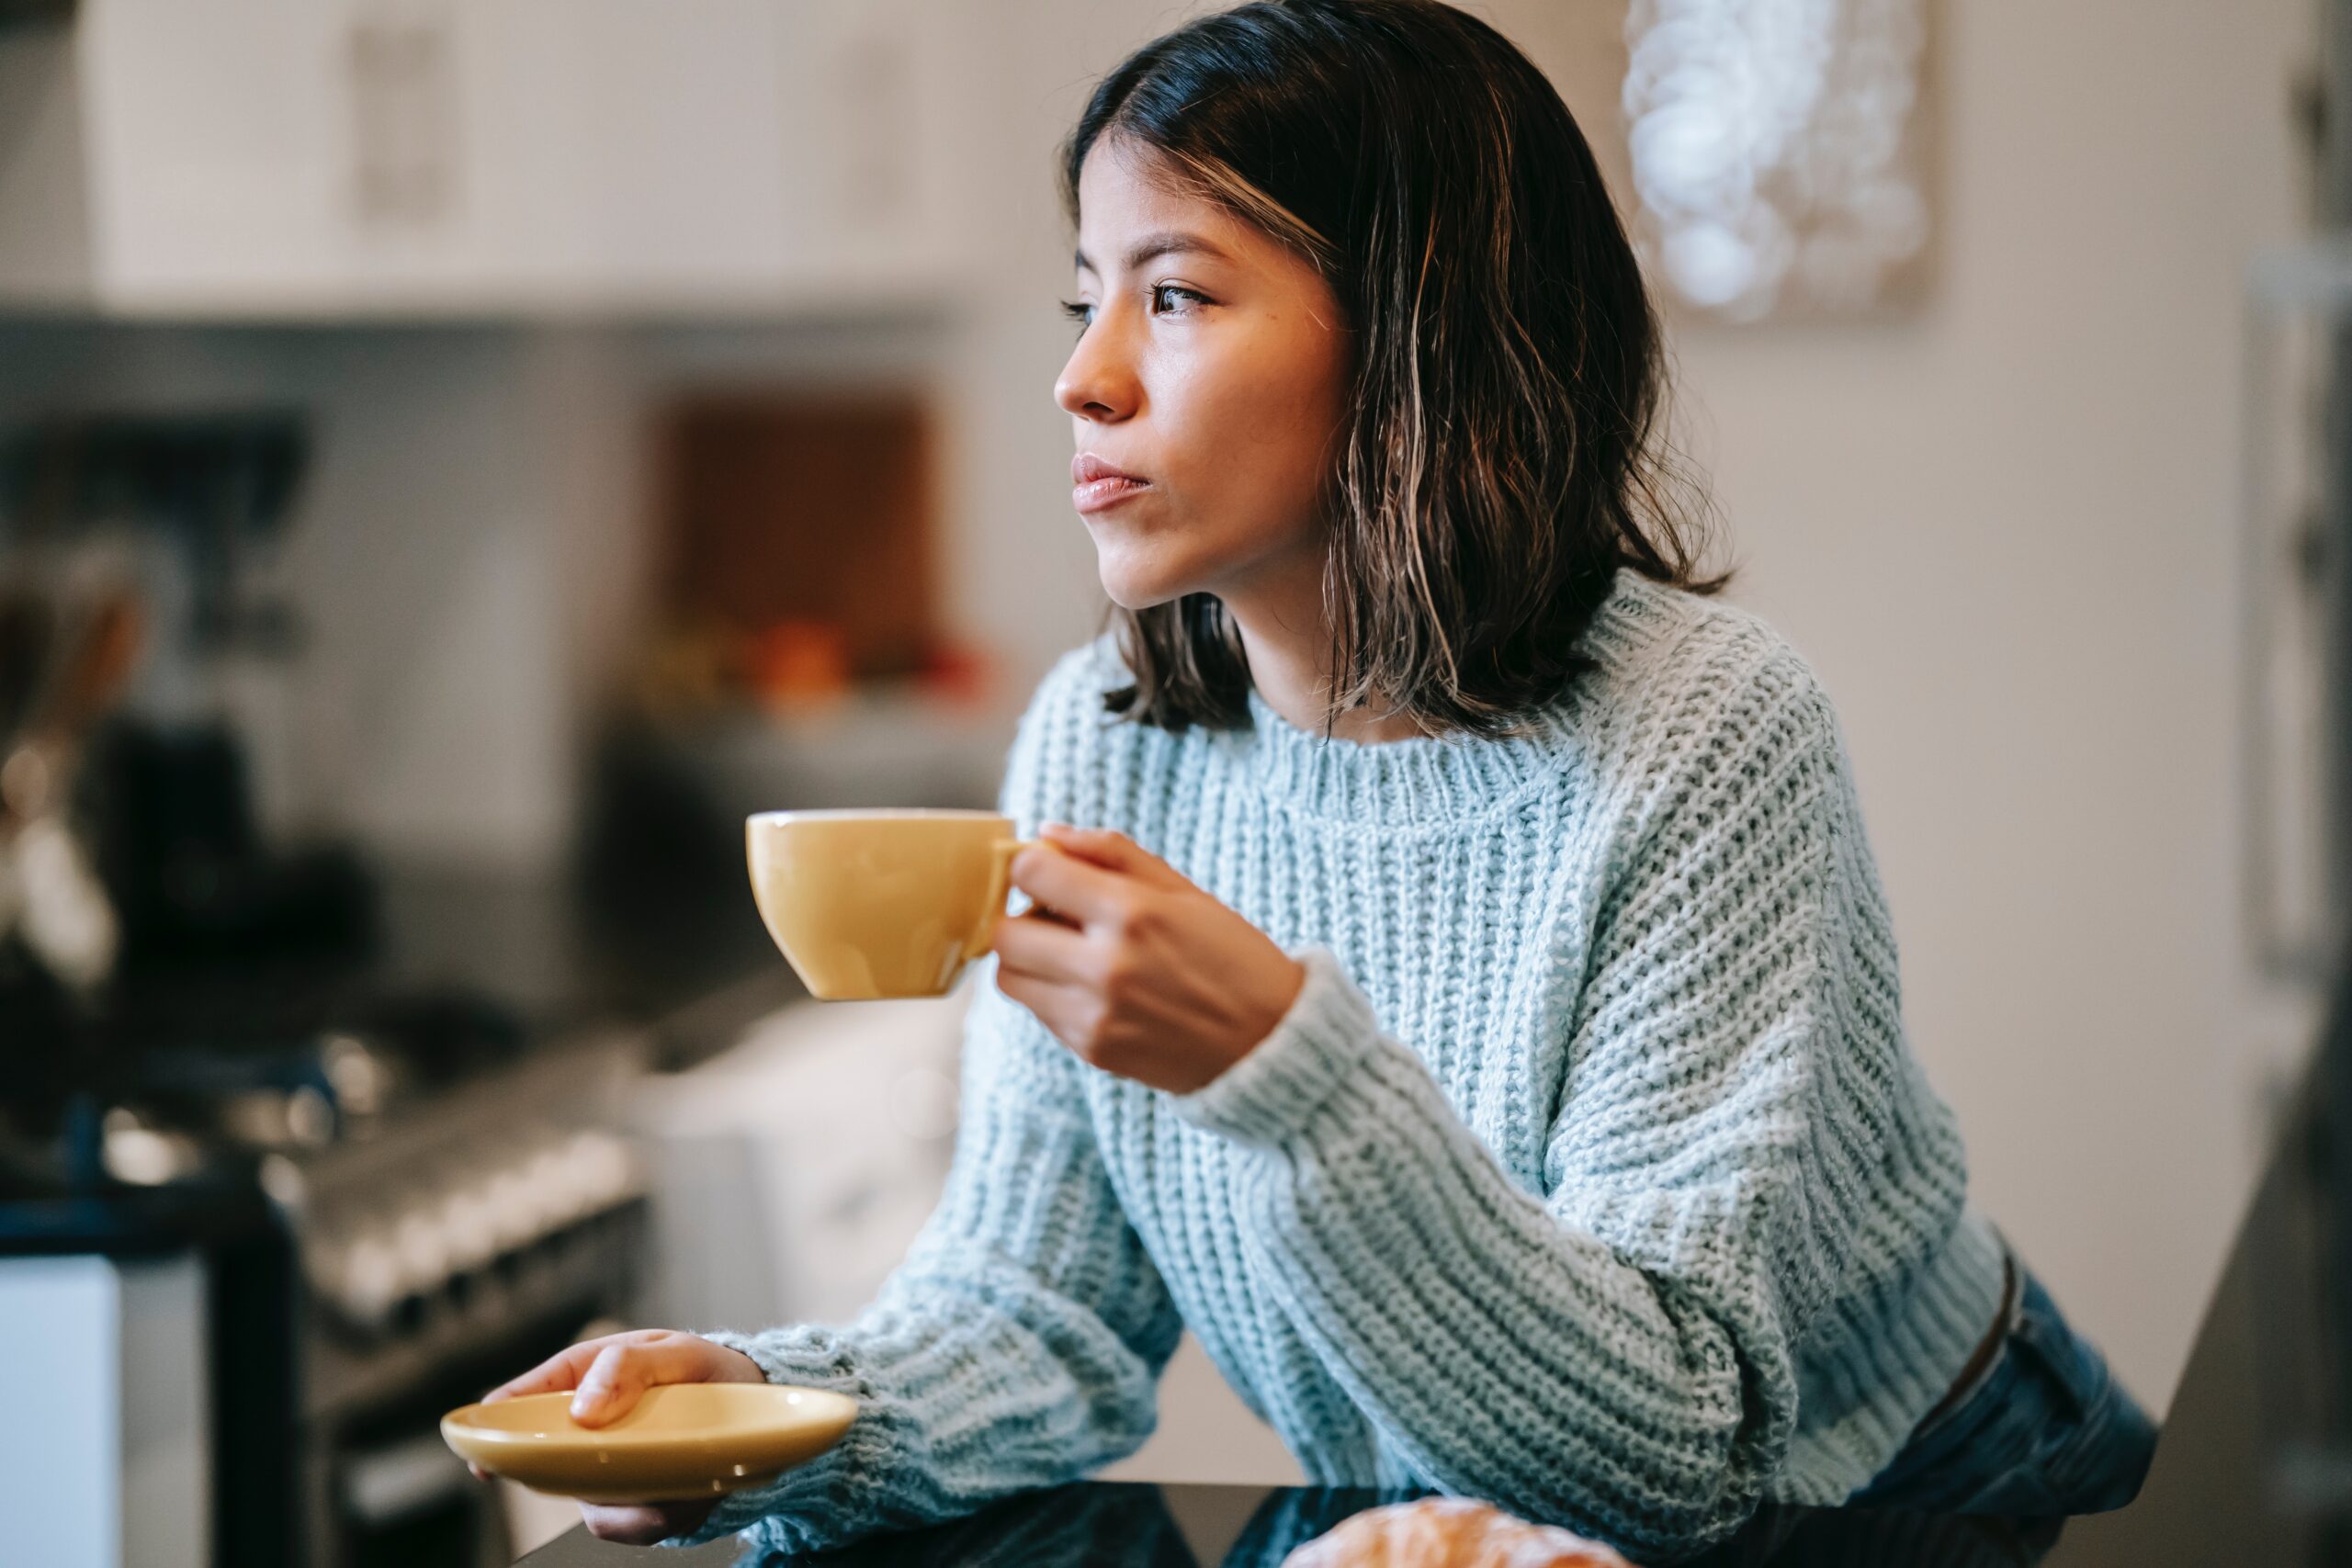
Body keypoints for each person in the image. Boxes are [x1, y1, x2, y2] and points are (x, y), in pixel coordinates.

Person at [480, 2, 2157, 1557]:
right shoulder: (1109, 745)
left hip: (1899, 1495)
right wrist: (768, 1415)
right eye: (1088, 295)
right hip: (1449, 1509)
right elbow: (1035, 1310)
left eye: (1179, 294)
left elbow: (1682, 1451)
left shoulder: (1707, 740)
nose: (1084, 375)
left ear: (1421, 337)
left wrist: (1284, 1065)